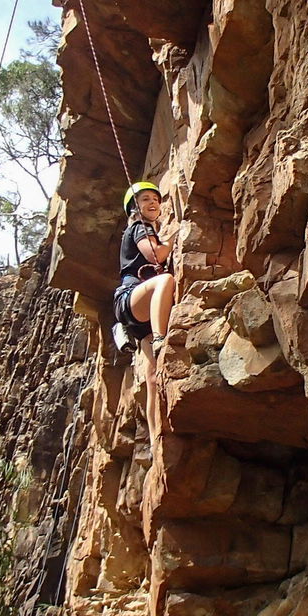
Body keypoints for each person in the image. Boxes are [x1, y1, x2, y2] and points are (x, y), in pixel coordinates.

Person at [113, 180, 177, 439]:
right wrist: (173, 239)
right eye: (145, 199)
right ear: (134, 209)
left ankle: (154, 439)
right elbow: (155, 255)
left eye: (155, 199)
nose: (153, 203)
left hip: (142, 315)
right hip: (130, 298)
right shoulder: (139, 227)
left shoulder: (146, 227)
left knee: (152, 376)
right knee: (165, 280)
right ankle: (161, 337)